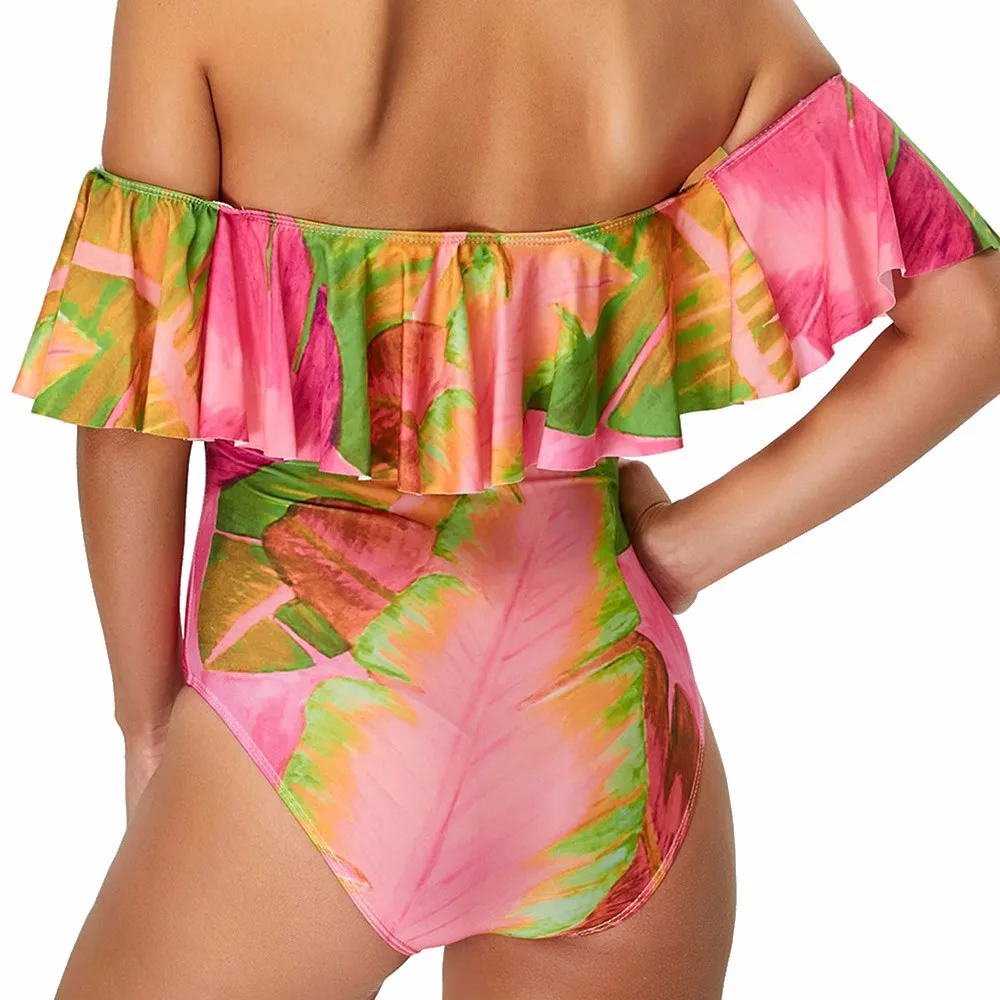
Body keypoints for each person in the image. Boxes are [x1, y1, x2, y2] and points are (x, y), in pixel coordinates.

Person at [11, 0, 1000, 997]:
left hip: (314, 711)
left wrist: (145, 720)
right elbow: (974, 318)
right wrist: (681, 548)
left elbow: (129, 408)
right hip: (608, 727)